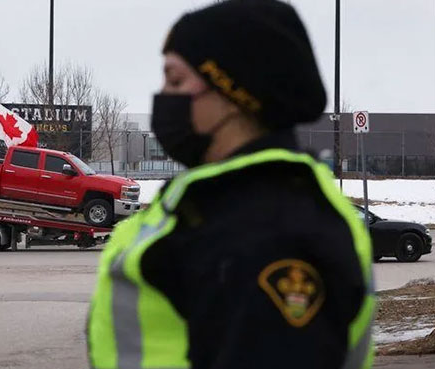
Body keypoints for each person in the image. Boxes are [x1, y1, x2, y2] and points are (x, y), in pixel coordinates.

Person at [87, 1, 374, 369]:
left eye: (175, 80)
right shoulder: (223, 205)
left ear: (233, 94)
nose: (162, 95)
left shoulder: (270, 233)